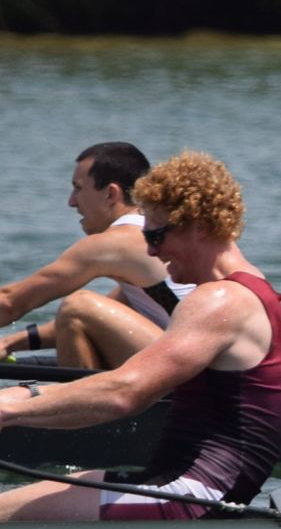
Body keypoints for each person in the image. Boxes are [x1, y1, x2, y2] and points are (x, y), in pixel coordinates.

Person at [0, 151, 281, 521]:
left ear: (199, 226)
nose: (152, 250)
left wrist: (9, 410)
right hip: (179, 481)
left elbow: (125, 393)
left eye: (156, 235)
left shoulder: (218, 300)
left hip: (195, 493)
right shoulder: (247, 287)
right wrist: (21, 395)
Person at [1, 142, 194, 368]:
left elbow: (11, 302)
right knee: (81, 313)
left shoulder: (117, 242)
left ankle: (79, 402)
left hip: (193, 373)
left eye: (78, 188)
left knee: (77, 307)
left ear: (111, 193)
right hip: (196, 360)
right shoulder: (145, 235)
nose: (71, 201)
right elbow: (103, 315)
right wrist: (10, 342)